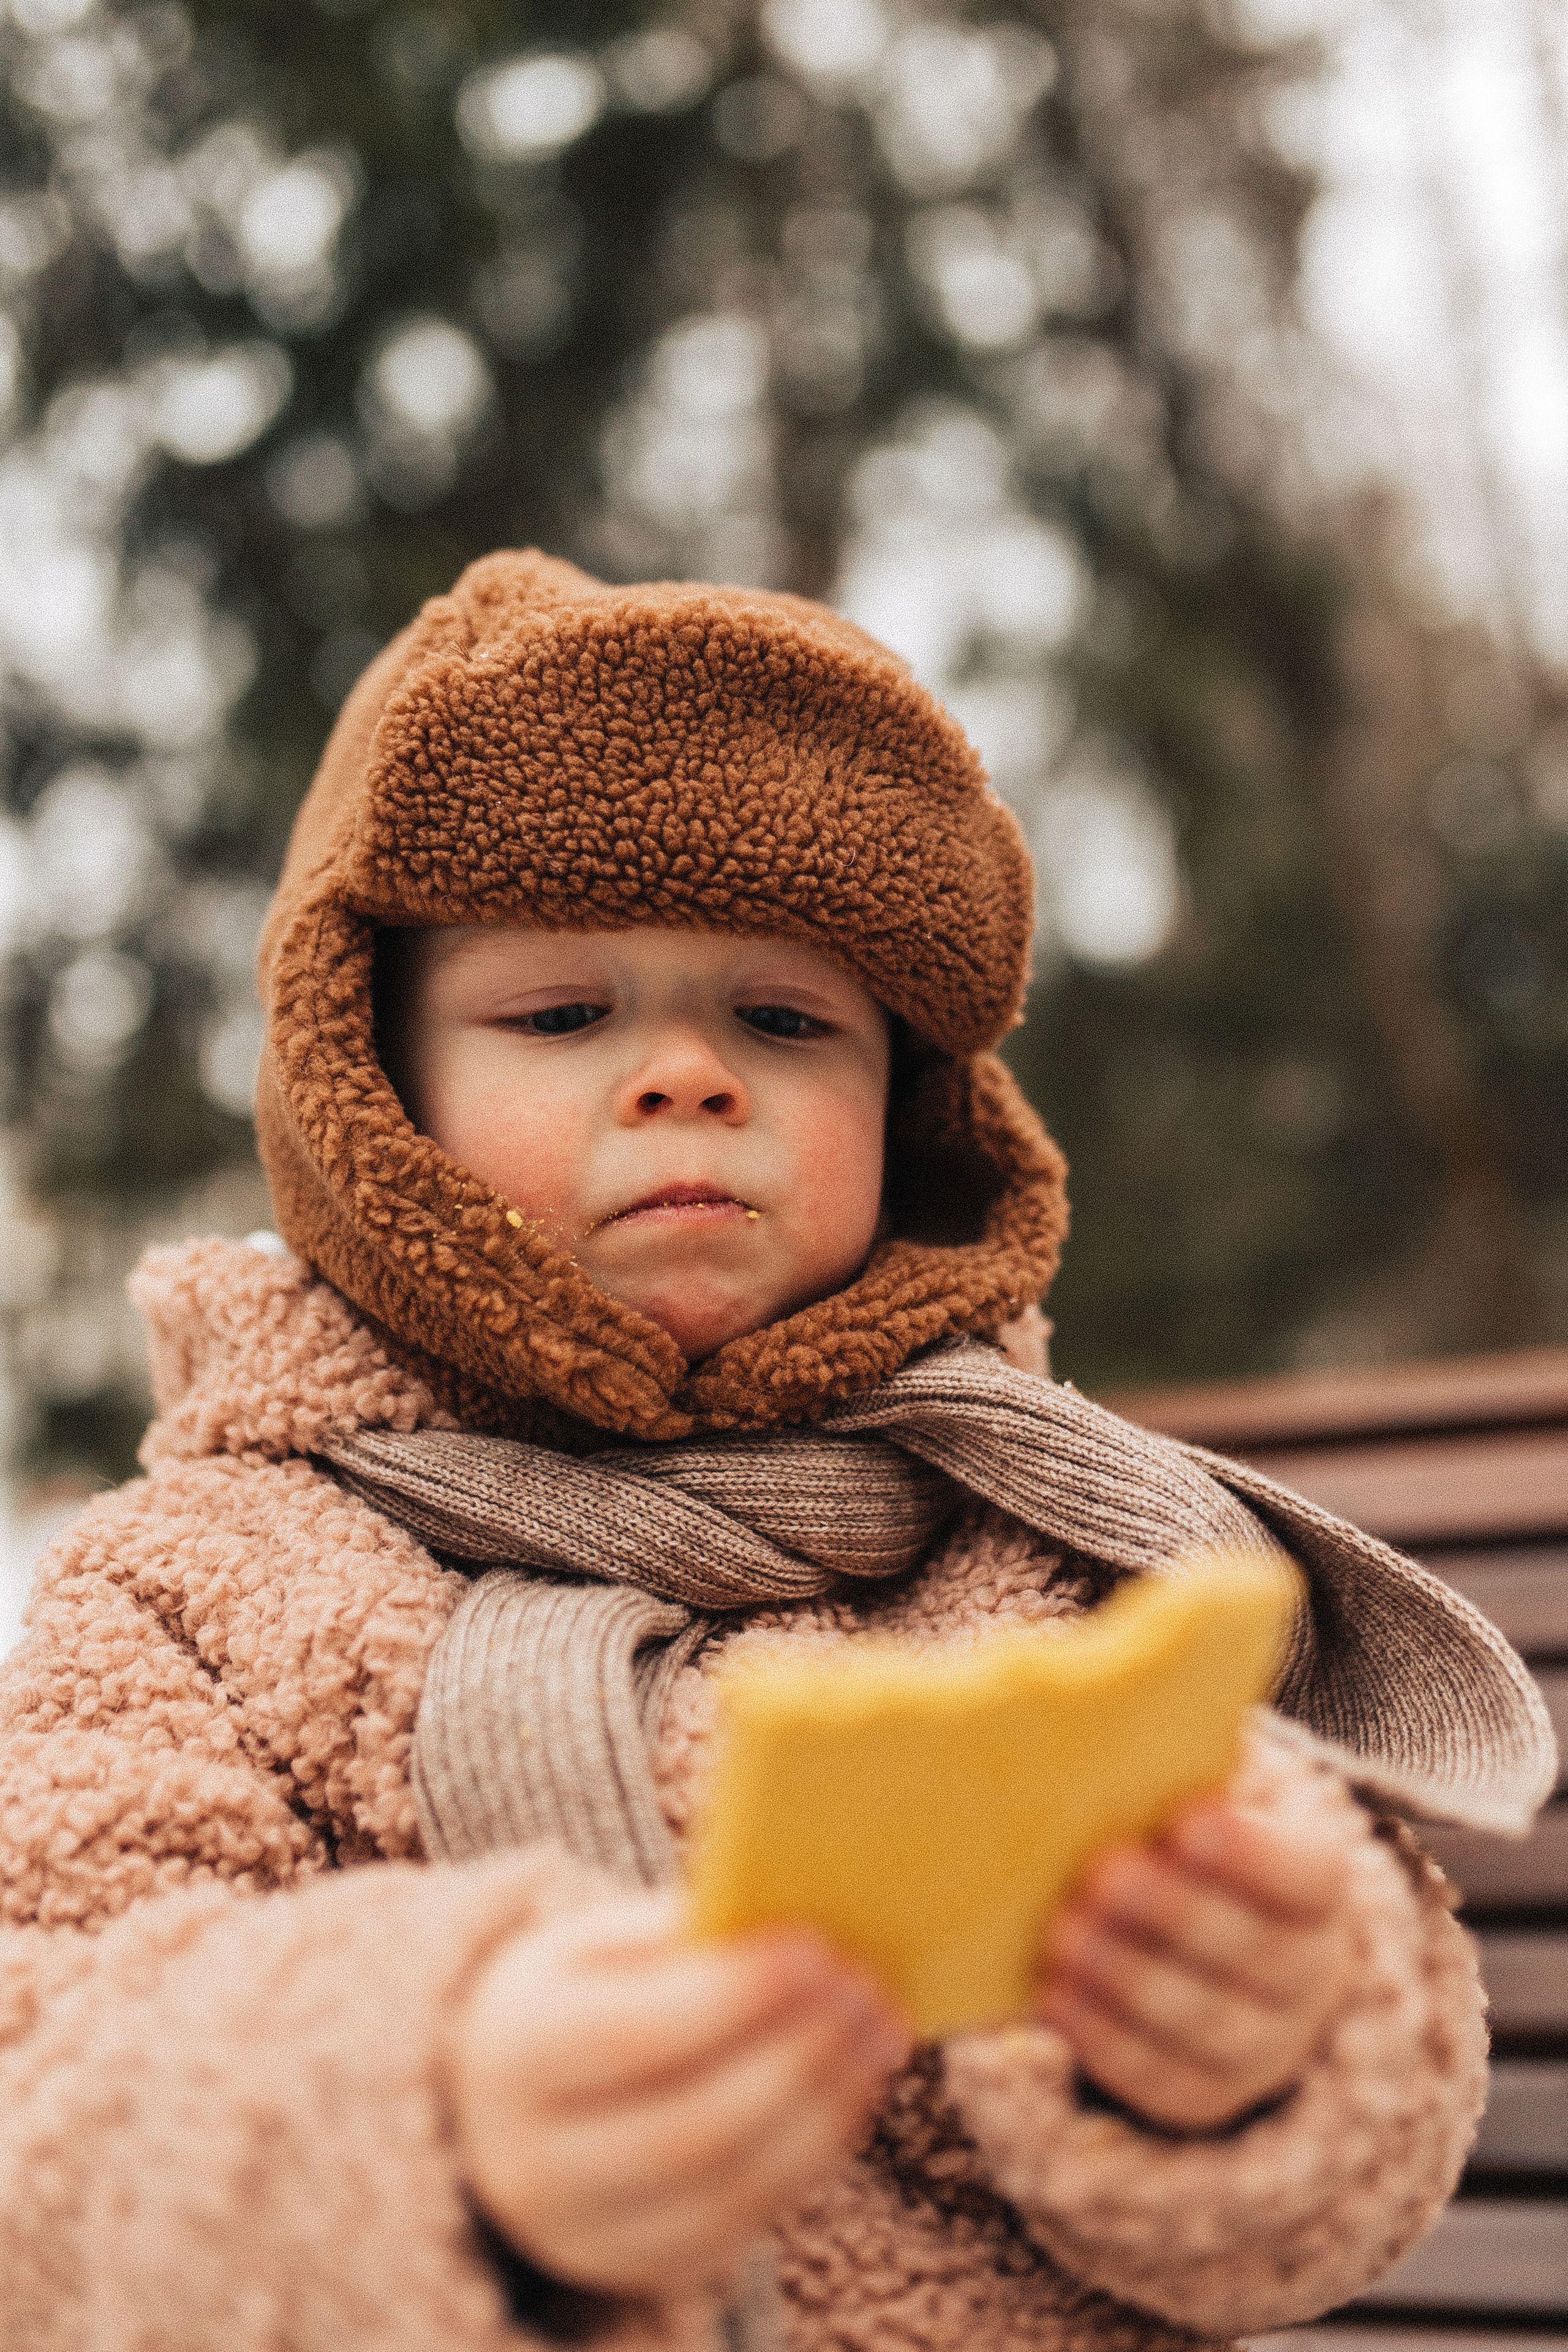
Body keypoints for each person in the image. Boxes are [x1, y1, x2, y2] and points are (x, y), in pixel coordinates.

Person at [0, 551, 1553, 2352]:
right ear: (371, 1102)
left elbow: (1336, 2170)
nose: (684, 1077)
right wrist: (426, 2100)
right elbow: (48, 2073)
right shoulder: (196, 1586)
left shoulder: (1031, 1544)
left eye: (785, 1021)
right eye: (562, 1014)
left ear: (906, 1109)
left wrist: (1259, 2047)